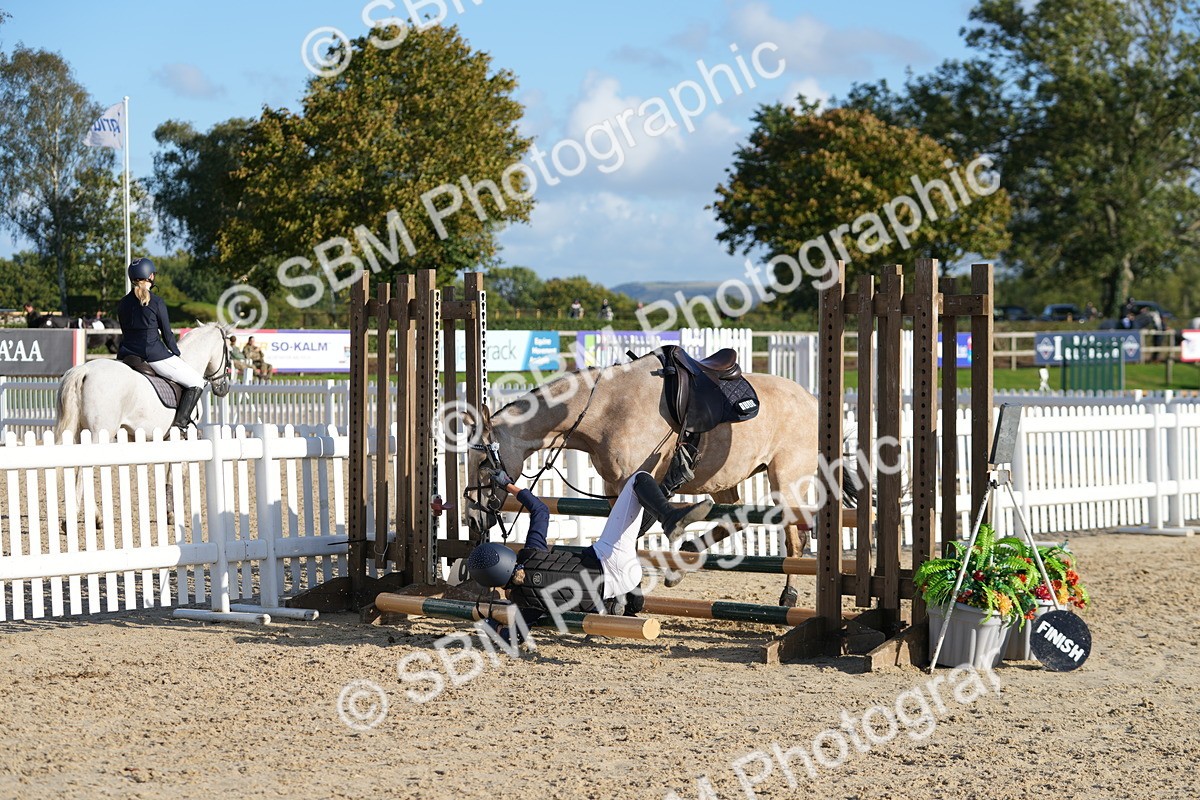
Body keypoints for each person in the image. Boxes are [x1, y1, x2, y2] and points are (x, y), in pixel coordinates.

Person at [464, 470, 713, 641]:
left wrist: (491, 626)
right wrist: (508, 484)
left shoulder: (525, 604)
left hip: (617, 584)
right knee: (638, 480)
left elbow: (514, 638)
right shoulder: (531, 553)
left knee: (628, 533)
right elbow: (539, 510)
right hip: (611, 556)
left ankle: (622, 604)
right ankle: (670, 510)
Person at [116, 257, 206, 432]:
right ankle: (180, 425)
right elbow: (167, 334)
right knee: (197, 382)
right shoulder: (156, 302)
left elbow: (125, 331)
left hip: (127, 355)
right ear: (150, 276)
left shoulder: (122, 303)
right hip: (153, 355)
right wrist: (176, 353)